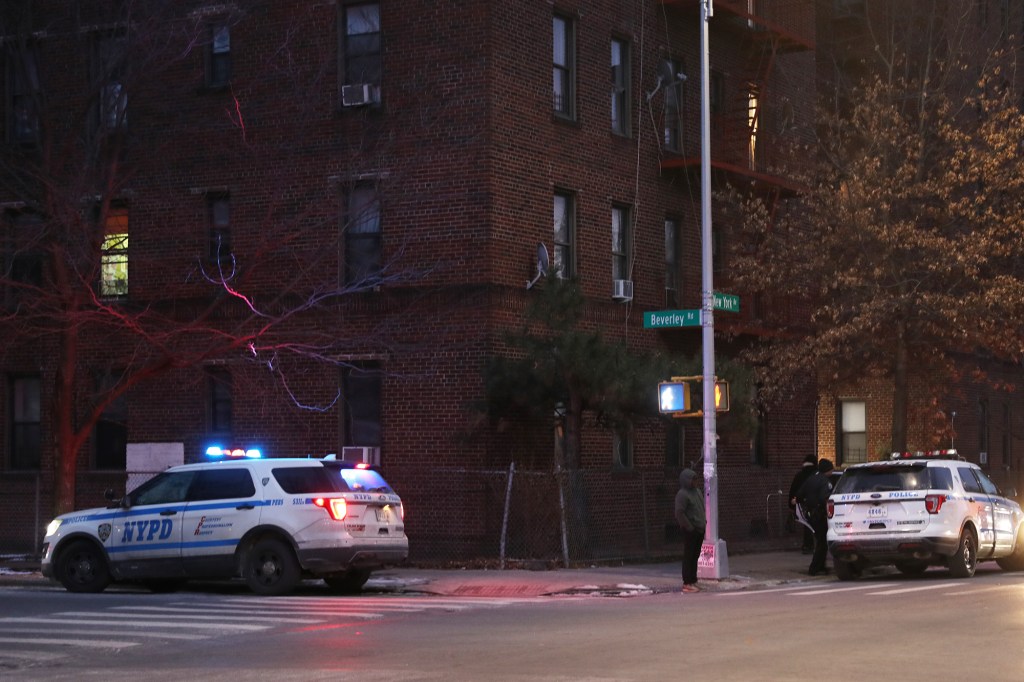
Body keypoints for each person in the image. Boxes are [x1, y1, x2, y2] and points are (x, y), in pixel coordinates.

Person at [797, 458, 835, 576]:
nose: (832, 472)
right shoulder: (825, 481)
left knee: (820, 541)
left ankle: (821, 567)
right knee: (822, 543)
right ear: (827, 470)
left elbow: (799, 495)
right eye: (831, 470)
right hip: (819, 515)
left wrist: (807, 502)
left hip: (810, 514)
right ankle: (814, 568)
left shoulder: (811, 478)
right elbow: (825, 498)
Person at [674, 468, 706, 592]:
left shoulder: (697, 492)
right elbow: (679, 513)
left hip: (699, 528)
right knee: (689, 555)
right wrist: (689, 527)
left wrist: (703, 523)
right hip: (690, 529)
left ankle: (693, 579)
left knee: (695, 556)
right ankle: (687, 581)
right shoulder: (682, 494)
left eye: (696, 479)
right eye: (693, 479)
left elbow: (700, 508)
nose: (695, 481)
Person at [788, 454, 818, 553]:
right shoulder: (816, 475)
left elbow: (793, 490)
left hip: (801, 504)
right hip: (814, 503)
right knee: (815, 524)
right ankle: (814, 545)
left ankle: (807, 545)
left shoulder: (799, 475)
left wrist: (792, 504)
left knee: (807, 524)